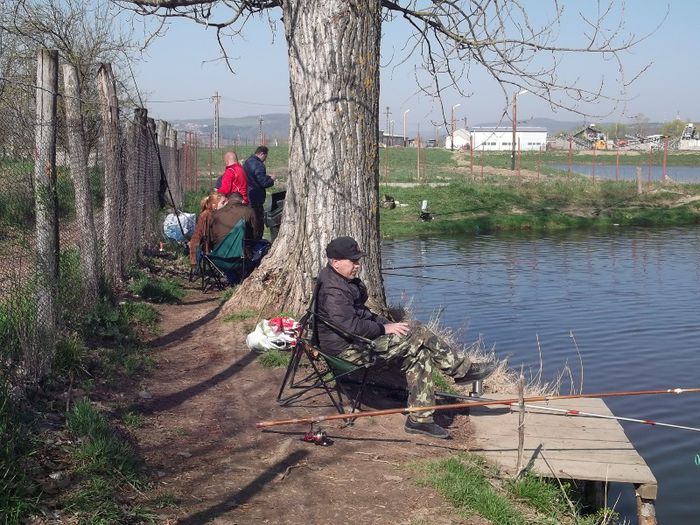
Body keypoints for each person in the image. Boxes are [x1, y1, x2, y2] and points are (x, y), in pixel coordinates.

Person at [316, 236, 498, 439]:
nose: (358, 265)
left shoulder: (341, 280)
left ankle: (420, 420)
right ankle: (461, 370)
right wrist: (384, 329)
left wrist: (384, 323)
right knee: (417, 331)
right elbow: (350, 326)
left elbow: (360, 315)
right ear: (336, 262)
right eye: (353, 261)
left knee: (419, 355)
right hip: (346, 351)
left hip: (355, 342)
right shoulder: (334, 290)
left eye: (358, 260)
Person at [243, 145, 275, 240]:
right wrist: (271, 179)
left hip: (248, 195)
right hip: (256, 198)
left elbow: (253, 177)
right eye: (265, 156)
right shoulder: (258, 164)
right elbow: (263, 182)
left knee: (249, 221)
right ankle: (257, 243)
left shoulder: (247, 162)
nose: (265, 159)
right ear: (261, 154)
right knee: (258, 222)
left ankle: (249, 241)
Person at [189, 191, 221, 269]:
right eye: (222, 202)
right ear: (214, 205)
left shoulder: (210, 214)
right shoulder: (205, 215)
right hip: (212, 245)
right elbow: (200, 234)